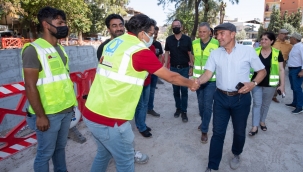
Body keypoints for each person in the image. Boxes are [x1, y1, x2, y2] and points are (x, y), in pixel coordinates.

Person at [82, 14, 199, 172]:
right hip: (111, 118)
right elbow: (171, 77)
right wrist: (191, 83)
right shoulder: (139, 51)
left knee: (103, 154)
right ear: (142, 33)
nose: (152, 37)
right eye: (151, 34)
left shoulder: (115, 42)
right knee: (125, 161)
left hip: (91, 111)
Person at [196, 23, 266, 172]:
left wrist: (253, 84)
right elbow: (208, 74)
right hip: (220, 98)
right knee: (217, 133)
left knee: (239, 131)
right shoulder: (215, 53)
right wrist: (197, 82)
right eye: (217, 34)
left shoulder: (247, 52)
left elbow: (262, 71)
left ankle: (236, 153)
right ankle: (212, 165)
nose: (218, 37)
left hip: (241, 98)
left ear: (233, 34)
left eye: (222, 33)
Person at [22, 7, 77, 172]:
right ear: (46, 25)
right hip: (48, 113)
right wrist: (40, 116)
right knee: (45, 154)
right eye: (59, 22)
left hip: (65, 110)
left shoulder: (60, 49)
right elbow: (30, 86)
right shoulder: (33, 50)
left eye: (64, 22)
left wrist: (72, 107)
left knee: (60, 149)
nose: (64, 25)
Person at [94, 13, 150, 163]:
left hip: (127, 95)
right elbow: (104, 74)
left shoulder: (131, 44)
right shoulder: (104, 47)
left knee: (126, 127)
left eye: (120, 25)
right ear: (108, 29)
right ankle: (127, 153)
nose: (118, 28)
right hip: (112, 101)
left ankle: (122, 151)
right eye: (114, 25)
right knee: (121, 135)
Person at [249, 32, 285, 136]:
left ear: (271, 41)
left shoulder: (277, 53)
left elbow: (281, 70)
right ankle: (255, 126)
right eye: (262, 39)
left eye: (266, 39)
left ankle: (262, 121)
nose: (263, 41)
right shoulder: (254, 52)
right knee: (257, 103)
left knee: (265, 104)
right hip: (256, 83)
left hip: (270, 85)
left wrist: (282, 85)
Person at [192, 22, 219, 143]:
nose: (202, 34)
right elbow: (193, 59)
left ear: (209, 32)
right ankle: (204, 122)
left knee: (208, 106)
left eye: (204, 31)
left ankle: (204, 130)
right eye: (200, 31)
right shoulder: (194, 43)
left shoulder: (217, 44)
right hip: (198, 80)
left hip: (211, 80)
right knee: (201, 104)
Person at [164, 19, 194, 122]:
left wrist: (191, 66)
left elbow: (190, 53)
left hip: (185, 68)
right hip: (173, 69)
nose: (175, 27)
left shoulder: (187, 39)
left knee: (184, 91)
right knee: (176, 91)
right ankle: (178, 108)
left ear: (181, 27)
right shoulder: (169, 39)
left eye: (177, 25)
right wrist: (165, 66)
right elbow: (167, 53)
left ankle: (184, 112)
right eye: (173, 26)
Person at [272, 28, 292, 103]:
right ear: (279, 34)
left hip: (283, 63)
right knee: (271, 78)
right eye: (284, 34)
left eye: (286, 34)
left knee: (280, 80)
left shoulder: (289, 45)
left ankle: (274, 95)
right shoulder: (273, 42)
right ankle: (268, 94)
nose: (286, 35)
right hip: (272, 63)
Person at [285, 32, 303, 114]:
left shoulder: (301, 47)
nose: (289, 39)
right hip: (292, 69)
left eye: (290, 38)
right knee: (293, 87)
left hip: (297, 70)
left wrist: (302, 71)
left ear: (294, 39)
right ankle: (295, 103)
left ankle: (300, 107)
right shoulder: (294, 47)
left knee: (297, 88)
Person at [147, 26, 163, 117]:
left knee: (152, 91)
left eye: (156, 33)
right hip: (145, 72)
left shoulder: (158, 45)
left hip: (154, 72)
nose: (155, 35)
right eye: (153, 33)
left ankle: (150, 109)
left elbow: (160, 57)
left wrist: (159, 69)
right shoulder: (145, 44)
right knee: (144, 91)